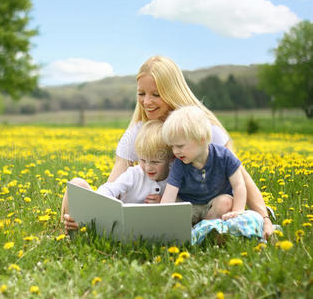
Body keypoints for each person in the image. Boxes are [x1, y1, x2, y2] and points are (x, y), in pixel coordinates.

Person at [62, 55, 274, 239]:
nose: (147, 102)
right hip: (143, 211)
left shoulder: (201, 129)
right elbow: (115, 181)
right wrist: (96, 210)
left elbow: (242, 178)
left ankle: (207, 233)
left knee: (223, 205)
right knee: (77, 185)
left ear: (172, 92)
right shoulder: (137, 131)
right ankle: (72, 227)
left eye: (156, 94)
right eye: (141, 94)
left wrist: (264, 218)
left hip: (188, 211)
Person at [159, 106, 246, 225]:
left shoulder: (224, 156)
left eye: (179, 146)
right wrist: (162, 217)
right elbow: (169, 197)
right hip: (189, 206)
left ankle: (206, 229)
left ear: (201, 139)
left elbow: (239, 184)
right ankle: (192, 231)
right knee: (175, 210)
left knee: (225, 203)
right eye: (172, 146)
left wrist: (238, 211)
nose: (175, 152)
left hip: (213, 207)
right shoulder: (179, 164)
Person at [97, 120, 171, 203]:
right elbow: (108, 189)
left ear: (171, 158)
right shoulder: (133, 174)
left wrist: (163, 202)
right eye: (142, 160)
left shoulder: (173, 179)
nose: (148, 168)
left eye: (155, 162)